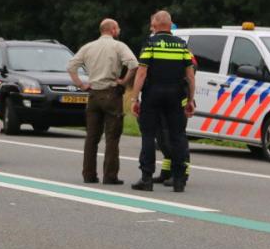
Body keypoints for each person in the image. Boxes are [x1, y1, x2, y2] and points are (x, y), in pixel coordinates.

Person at [67, 19, 139, 185]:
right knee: (112, 137)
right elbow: (134, 64)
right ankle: (110, 176)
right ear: (113, 30)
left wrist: (81, 84)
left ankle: (89, 174)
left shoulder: (88, 47)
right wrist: (124, 80)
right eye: (118, 28)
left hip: (93, 94)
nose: (119, 30)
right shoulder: (118, 46)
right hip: (111, 93)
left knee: (92, 137)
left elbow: (71, 66)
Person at [130, 11, 195, 192]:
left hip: (153, 94)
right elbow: (190, 76)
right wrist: (190, 99)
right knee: (178, 136)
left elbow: (141, 73)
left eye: (152, 23)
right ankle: (179, 180)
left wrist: (134, 98)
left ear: (157, 25)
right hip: (176, 96)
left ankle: (147, 178)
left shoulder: (150, 44)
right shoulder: (182, 46)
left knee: (149, 135)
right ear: (170, 24)